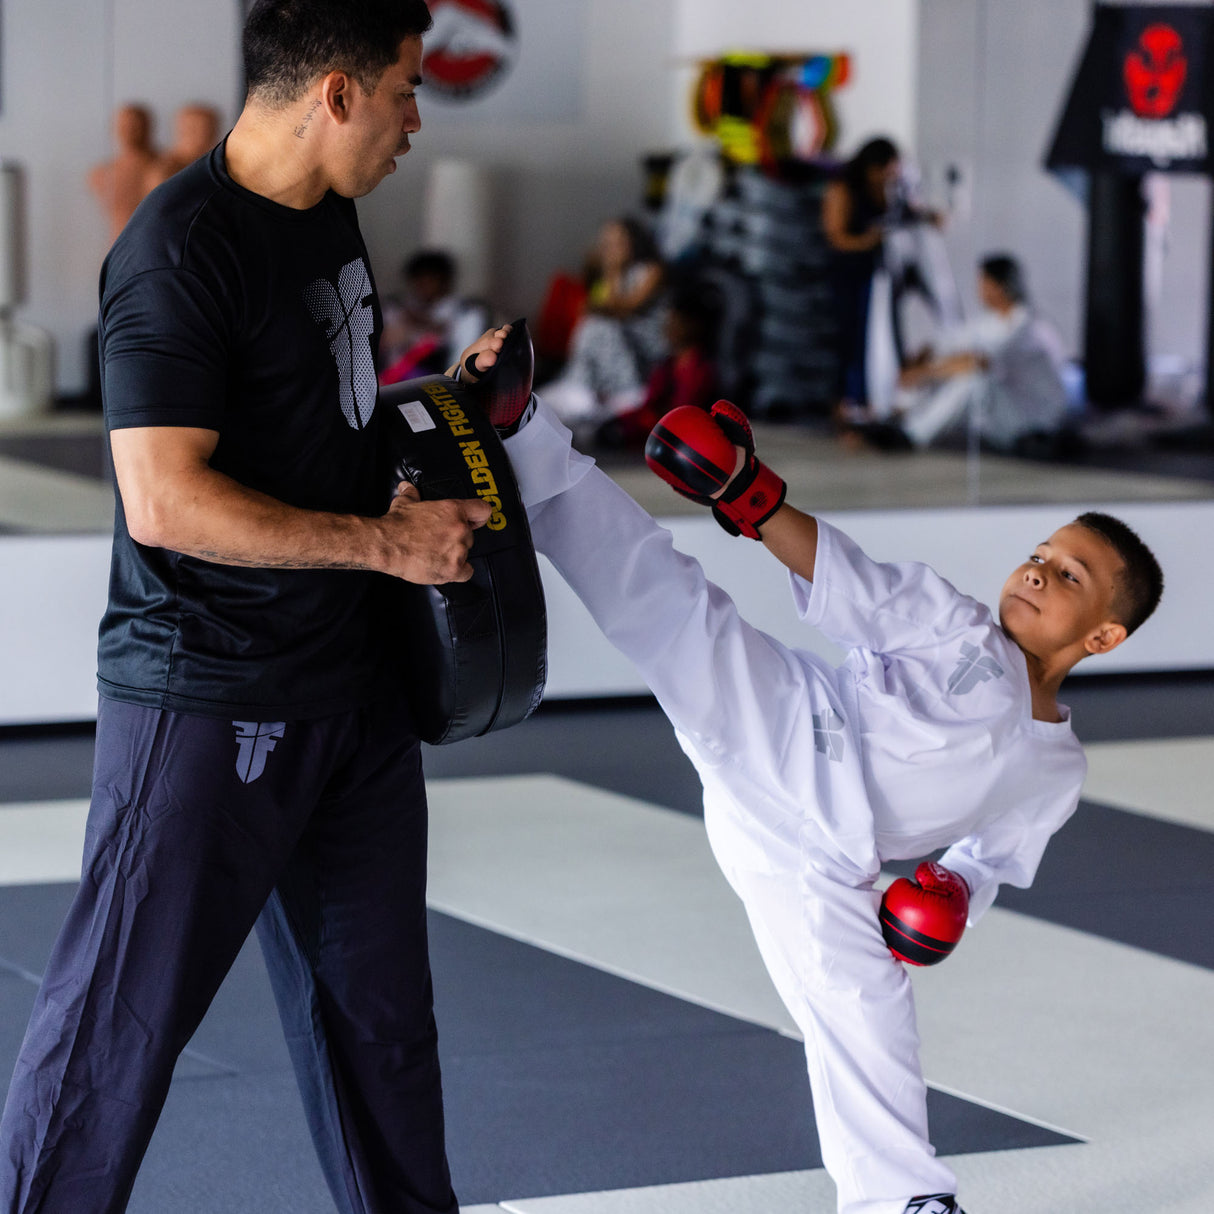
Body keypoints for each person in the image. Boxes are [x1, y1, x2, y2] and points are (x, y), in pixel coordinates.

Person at [0, 3, 513, 1212]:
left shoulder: (329, 210)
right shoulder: (181, 251)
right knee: (110, 1039)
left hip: (352, 689)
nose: (414, 117)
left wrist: (446, 402)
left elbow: (321, 411)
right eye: (401, 88)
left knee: (383, 1029)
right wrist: (384, 545)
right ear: (332, 94)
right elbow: (166, 500)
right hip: (208, 693)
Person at [494, 390, 1162, 1214]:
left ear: (1103, 636)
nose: (1036, 571)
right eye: (1039, 553)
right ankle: (524, 434)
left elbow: (991, 861)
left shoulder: (1056, 770)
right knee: (667, 600)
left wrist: (952, 894)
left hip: (825, 860)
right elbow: (842, 572)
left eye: (1070, 576)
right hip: (790, 728)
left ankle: (904, 1202)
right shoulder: (953, 624)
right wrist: (748, 490)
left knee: (867, 1012)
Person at [881, 254, 1070, 454]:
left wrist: (926, 372)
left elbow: (979, 362)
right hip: (1010, 411)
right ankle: (896, 415)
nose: (979, 290)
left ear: (999, 286)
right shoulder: (990, 322)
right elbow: (949, 344)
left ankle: (910, 435)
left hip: (1036, 420)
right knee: (935, 368)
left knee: (974, 381)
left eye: (983, 283)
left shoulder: (1027, 326)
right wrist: (923, 360)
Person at [822, 137, 944, 427]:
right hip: (850, 274)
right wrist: (867, 241)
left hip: (881, 276)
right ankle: (847, 408)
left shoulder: (889, 189)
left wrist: (929, 217)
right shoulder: (844, 189)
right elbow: (836, 236)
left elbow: (907, 212)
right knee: (851, 342)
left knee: (885, 339)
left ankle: (879, 402)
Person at [540, 216, 667, 429]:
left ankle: (628, 392)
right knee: (591, 325)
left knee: (600, 326)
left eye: (619, 242)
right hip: (616, 335)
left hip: (645, 341)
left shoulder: (650, 270)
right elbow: (593, 306)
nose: (612, 249)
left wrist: (614, 272)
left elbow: (624, 309)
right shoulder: (605, 277)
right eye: (607, 244)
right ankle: (582, 387)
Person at [598, 281, 720, 447]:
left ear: (694, 325)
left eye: (676, 321)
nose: (669, 327)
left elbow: (682, 414)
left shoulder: (700, 370)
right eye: (669, 321)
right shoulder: (667, 365)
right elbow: (650, 404)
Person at [379, 249, 491, 385]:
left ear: (445, 281)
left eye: (431, 279)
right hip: (393, 382)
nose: (424, 285)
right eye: (419, 280)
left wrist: (426, 327)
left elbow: (463, 358)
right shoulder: (396, 307)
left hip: (444, 383)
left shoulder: (467, 313)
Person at [87, 103, 160, 246]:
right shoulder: (101, 173)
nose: (130, 131)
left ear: (148, 127)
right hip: (119, 248)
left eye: (136, 125)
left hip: (156, 247)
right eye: (124, 126)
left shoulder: (164, 168)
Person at [144, 103, 222, 188]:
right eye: (193, 129)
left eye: (208, 129)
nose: (203, 134)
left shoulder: (217, 165)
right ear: (180, 130)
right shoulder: (167, 170)